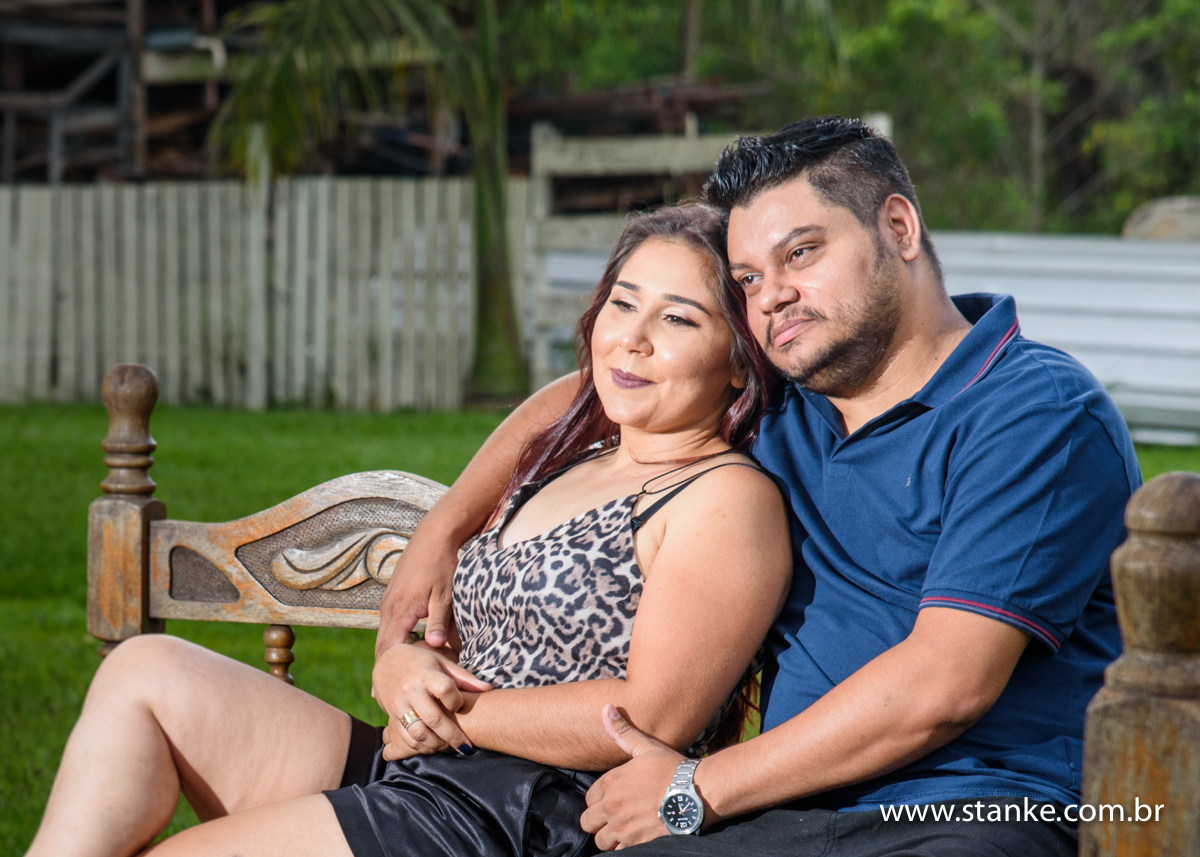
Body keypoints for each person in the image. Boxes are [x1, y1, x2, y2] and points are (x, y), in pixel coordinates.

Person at [374, 117, 1142, 856]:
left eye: (801, 253)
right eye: (748, 278)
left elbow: (943, 686)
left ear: (899, 228)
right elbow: (590, 391)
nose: (770, 295)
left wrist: (697, 787)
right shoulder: (786, 399)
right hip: (789, 812)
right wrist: (445, 525)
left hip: (976, 806)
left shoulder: (1033, 413)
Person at [23, 205, 793, 857]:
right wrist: (405, 652)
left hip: (525, 813)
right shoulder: (578, 448)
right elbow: (572, 387)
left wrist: (435, 707)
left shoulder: (723, 499)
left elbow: (653, 716)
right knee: (145, 672)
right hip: (434, 770)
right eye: (623, 303)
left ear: (737, 362)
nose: (634, 337)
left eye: (679, 318)